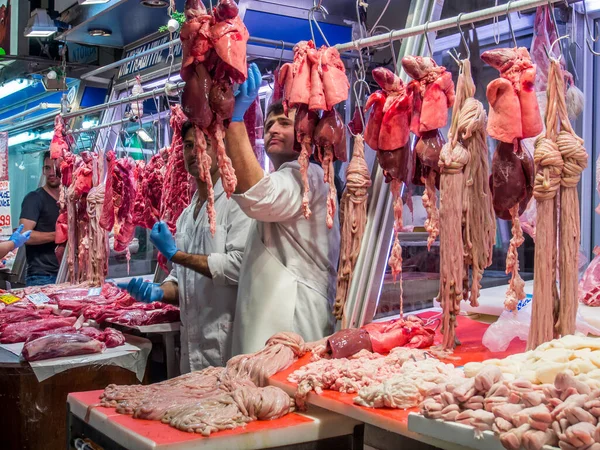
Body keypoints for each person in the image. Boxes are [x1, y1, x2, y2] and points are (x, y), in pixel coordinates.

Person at [225, 63, 340, 355]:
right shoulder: (290, 177)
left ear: (305, 131)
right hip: (272, 328)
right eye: (269, 124)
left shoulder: (308, 176)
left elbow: (258, 196)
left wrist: (235, 120)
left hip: (293, 327)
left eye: (284, 123)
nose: (273, 129)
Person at [118, 122, 252, 372]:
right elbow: (181, 280)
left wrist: (176, 255)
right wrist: (159, 292)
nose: (195, 151)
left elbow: (239, 266)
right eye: (188, 145)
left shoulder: (237, 203)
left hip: (230, 345)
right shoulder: (186, 216)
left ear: (221, 149)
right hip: (192, 349)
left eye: (205, 144)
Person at [19, 151, 61, 286]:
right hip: (42, 276)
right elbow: (23, 235)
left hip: (65, 273)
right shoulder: (34, 198)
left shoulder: (70, 201)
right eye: (47, 168)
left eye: (56, 168)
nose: (51, 173)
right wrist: (58, 236)